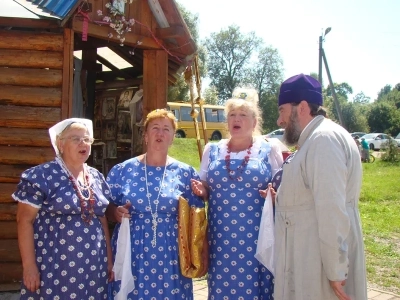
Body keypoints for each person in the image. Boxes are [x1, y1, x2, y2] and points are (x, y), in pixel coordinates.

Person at [272, 74, 367, 300]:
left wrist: (336, 270)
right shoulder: (315, 140)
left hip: (320, 271)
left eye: (282, 110)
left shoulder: (323, 140)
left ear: (302, 107)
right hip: (310, 261)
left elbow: (331, 209)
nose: (279, 121)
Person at [191, 87, 283, 299]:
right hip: (220, 238)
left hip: (257, 238)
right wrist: (202, 190)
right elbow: (205, 187)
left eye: (243, 115)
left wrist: (274, 193)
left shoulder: (269, 150)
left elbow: (281, 186)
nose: (237, 119)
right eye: (232, 114)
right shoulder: (212, 150)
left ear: (254, 122)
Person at [106, 109, 205, 299]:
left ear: (173, 137)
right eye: (155, 128)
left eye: (166, 129)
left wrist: (199, 257)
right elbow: (106, 208)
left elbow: (197, 217)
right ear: (145, 135)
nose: (160, 133)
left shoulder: (185, 173)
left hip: (171, 252)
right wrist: (115, 212)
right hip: (131, 250)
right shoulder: (123, 170)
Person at [12, 118, 113, 299]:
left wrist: (109, 260)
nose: (83, 143)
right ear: (60, 144)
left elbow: (102, 218)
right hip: (54, 265)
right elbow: (24, 220)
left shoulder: (96, 177)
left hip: (92, 267)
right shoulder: (41, 176)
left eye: (87, 139)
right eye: (76, 139)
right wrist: (29, 266)